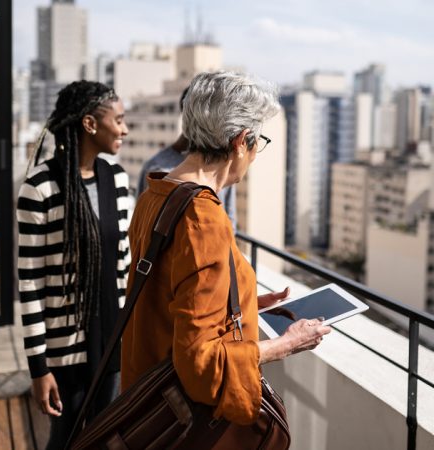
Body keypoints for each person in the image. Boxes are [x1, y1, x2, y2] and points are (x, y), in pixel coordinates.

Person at [121, 71, 331, 427]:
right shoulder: (204, 219)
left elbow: (169, 295)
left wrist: (241, 301)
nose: (255, 155)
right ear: (240, 141)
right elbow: (202, 365)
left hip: (145, 404)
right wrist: (288, 345)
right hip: (180, 425)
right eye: (258, 141)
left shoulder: (156, 193)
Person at [16, 81, 131, 449]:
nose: (125, 129)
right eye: (119, 119)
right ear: (90, 124)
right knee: (66, 441)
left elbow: (124, 267)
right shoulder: (40, 188)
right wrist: (39, 369)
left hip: (112, 342)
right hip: (65, 351)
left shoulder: (117, 178)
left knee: (106, 437)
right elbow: (30, 283)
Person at [136, 89, 237, 228]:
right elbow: (142, 223)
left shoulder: (222, 165)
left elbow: (230, 221)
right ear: (186, 114)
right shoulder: (156, 168)